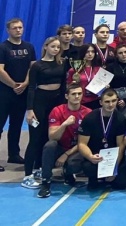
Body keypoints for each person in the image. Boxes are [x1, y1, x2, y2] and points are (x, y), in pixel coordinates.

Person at [23, 37, 66, 187]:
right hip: (40, 102)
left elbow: (63, 86)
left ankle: (39, 168)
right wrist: (29, 110)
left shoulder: (61, 63)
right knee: (35, 139)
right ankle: (27, 175)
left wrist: (62, 107)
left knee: (47, 138)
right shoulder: (37, 65)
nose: (56, 49)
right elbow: (31, 88)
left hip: (55, 103)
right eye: (53, 46)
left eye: (58, 47)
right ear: (46, 47)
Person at [0, 18, 36, 169]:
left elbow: (32, 67)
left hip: (22, 92)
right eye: (15, 28)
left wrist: (26, 83)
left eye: (20, 27)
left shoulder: (29, 47)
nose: (18, 30)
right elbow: (0, 70)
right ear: (8, 30)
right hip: (5, 93)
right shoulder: (3, 47)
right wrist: (13, 85)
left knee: (16, 125)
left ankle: (14, 154)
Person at [77, 89, 126, 190]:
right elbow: (82, 144)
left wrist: (114, 167)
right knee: (89, 170)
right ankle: (95, 178)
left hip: (112, 157)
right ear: (101, 102)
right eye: (107, 101)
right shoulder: (90, 118)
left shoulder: (120, 119)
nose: (111, 104)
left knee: (122, 184)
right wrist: (90, 156)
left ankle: (108, 176)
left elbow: (120, 145)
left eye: (113, 101)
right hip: (96, 156)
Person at [67, 45, 102, 110]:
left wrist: (105, 86)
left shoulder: (98, 69)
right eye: (87, 52)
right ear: (82, 53)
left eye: (92, 52)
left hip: (95, 100)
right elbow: (68, 86)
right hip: (80, 101)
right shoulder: (74, 69)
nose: (90, 54)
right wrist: (73, 83)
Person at [106, 45, 126, 121]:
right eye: (120, 53)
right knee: (114, 119)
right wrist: (116, 98)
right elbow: (108, 84)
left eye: (125, 52)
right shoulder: (110, 67)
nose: (123, 54)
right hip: (114, 95)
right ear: (116, 55)